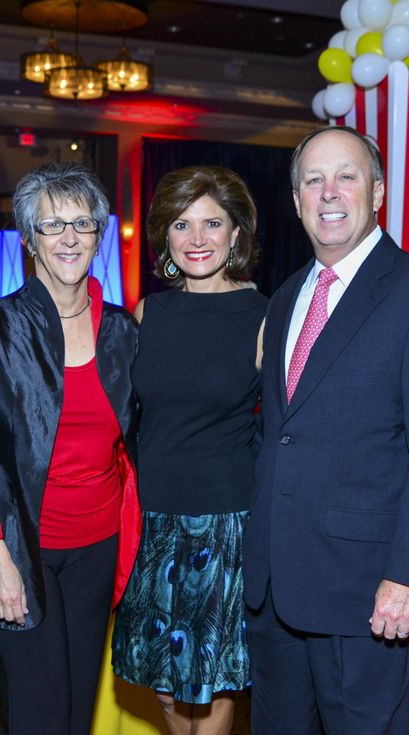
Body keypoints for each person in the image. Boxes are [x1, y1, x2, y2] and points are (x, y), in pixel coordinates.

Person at [244, 125, 409, 733]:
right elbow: (282, 434)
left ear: (377, 193)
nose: (329, 193)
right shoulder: (287, 297)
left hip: (368, 593)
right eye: (313, 180)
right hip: (275, 591)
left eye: (347, 176)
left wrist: (408, 576)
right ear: (295, 199)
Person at [0, 162, 140, 735]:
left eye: (83, 223)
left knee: (76, 710)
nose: (69, 238)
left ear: (100, 235)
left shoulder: (123, 331)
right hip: (22, 547)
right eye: (52, 225)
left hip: (99, 548)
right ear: (29, 240)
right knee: (40, 713)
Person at [111, 166, 266, 735]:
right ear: (166, 239)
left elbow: (281, 427)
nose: (197, 238)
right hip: (152, 519)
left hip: (225, 520)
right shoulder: (150, 312)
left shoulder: (263, 316)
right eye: (182, 224)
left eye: (212, 223)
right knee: (165, 684)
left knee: (214, 678)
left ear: (235, 235)